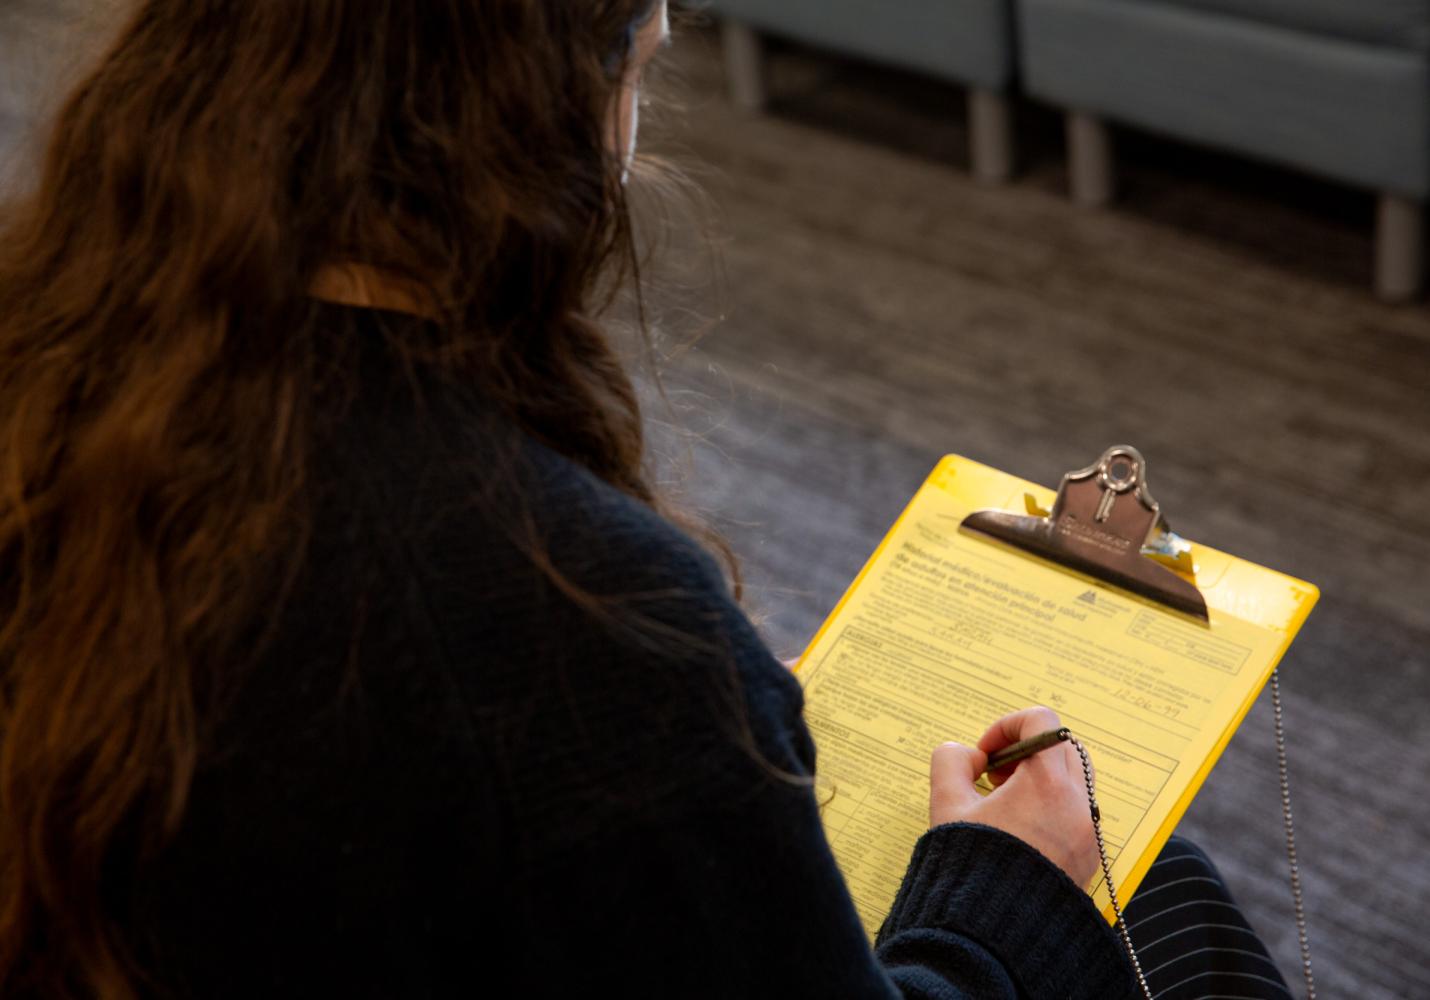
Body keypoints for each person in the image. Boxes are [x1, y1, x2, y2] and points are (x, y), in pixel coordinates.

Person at [0, 2, 1292, 998]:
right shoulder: (569, 602)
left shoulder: (59, 360)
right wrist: (1000, 891)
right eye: (642, 66)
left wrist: (700, 741)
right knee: (1144, 880)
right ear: (542, 104)